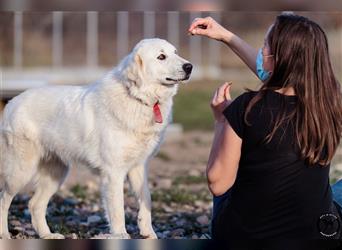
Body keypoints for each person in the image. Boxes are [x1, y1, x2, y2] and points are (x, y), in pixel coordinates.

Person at [188, 13, 342, 242]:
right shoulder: (331, 103)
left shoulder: (246, 107)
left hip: (242, 238)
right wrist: (226, 37)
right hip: (317, 237)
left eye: (265, 45)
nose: (261, 51)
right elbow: (276, 73)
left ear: (279, 58)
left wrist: (221, 121)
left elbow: (218, 183)